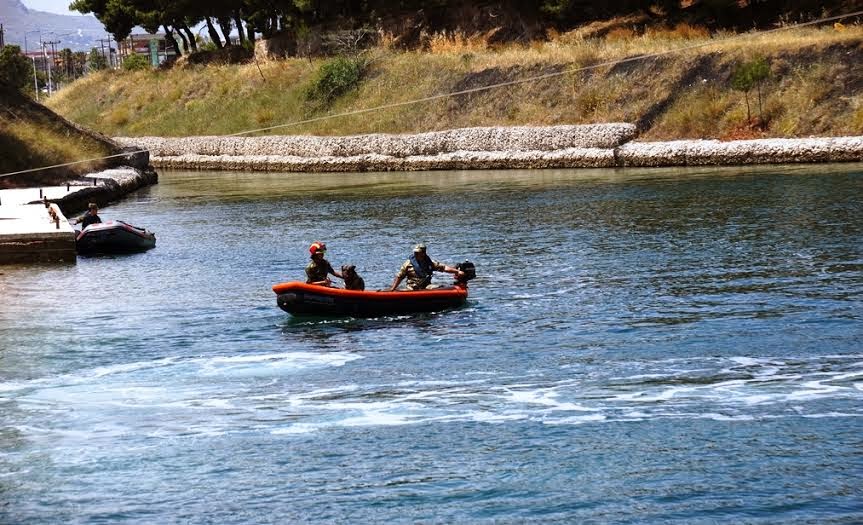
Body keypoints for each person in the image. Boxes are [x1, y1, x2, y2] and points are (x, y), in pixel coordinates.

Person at [389, 243, 462, 291]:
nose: (416, 254)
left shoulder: (430, 263)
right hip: (411, 287)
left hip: (427, 286)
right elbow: (400, 277)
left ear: (423, 253)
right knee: (405, 290)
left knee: (439, 288)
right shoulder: (408, 264)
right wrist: (392, 289)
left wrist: (457, 271)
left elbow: (444, 268)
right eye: (415, 253)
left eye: (418, 253)